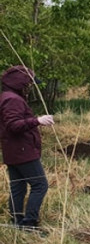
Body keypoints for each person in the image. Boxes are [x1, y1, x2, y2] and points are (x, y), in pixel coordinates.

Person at [0, 65, 53, 229]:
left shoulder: (6, 96)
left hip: (13, 151)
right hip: (22, 151)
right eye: (29, 83)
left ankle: (16, 220)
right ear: (20, 82)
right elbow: (13, 125)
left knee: (18, 186)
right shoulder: (12, 99)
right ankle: (30, 223)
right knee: (40, 185)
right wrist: (37, 120)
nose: (30, 87)